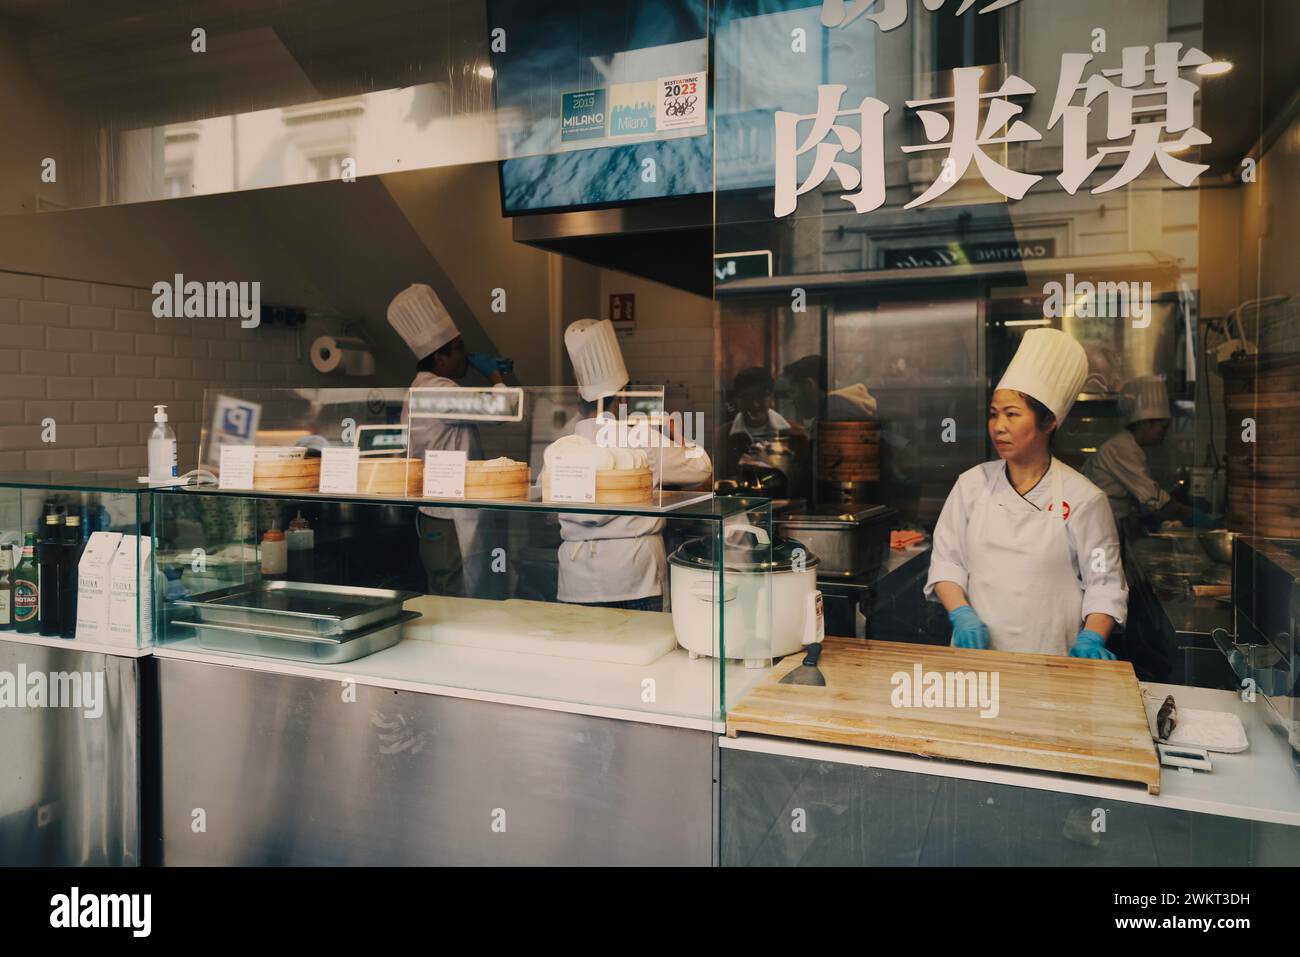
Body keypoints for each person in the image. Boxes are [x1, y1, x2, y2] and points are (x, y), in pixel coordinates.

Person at [925, 328, 1128, 658]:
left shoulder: (1084, 499)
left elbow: (1103, 581)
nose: (998, 426)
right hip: (976, 660)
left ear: (1047, 423)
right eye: (994, 414)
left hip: (1051, 660)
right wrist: (961, 614)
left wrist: (1092, 637)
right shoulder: (970, 485)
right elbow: (947, 562)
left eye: (1012, 414)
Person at [555, 319, 712, 611]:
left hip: (576, 580)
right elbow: (700, 468)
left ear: (579, 395)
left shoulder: (562, 446)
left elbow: (548, 511)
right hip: (634, 575)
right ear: (624, 395)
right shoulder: (641, 437)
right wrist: (680, 436)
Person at [388, 283, 514, 598]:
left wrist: (478, 367)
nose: (466, 355)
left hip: (444, 518)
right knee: (453, 600)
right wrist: (494, 376)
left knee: (455, 597)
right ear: (440, 357)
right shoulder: (436, 392)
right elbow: (502, 409)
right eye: (460, 348)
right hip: (448, 521)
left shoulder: (428, 386)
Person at [1082, 375, 1190, 535]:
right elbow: (1154, 498)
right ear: (1145, 424)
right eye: (1163, 428)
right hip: (1098, 528)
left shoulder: (1129, 446)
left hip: (1107, 526)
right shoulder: (1122, 448)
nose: (1164, 434)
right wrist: (1195, 517)